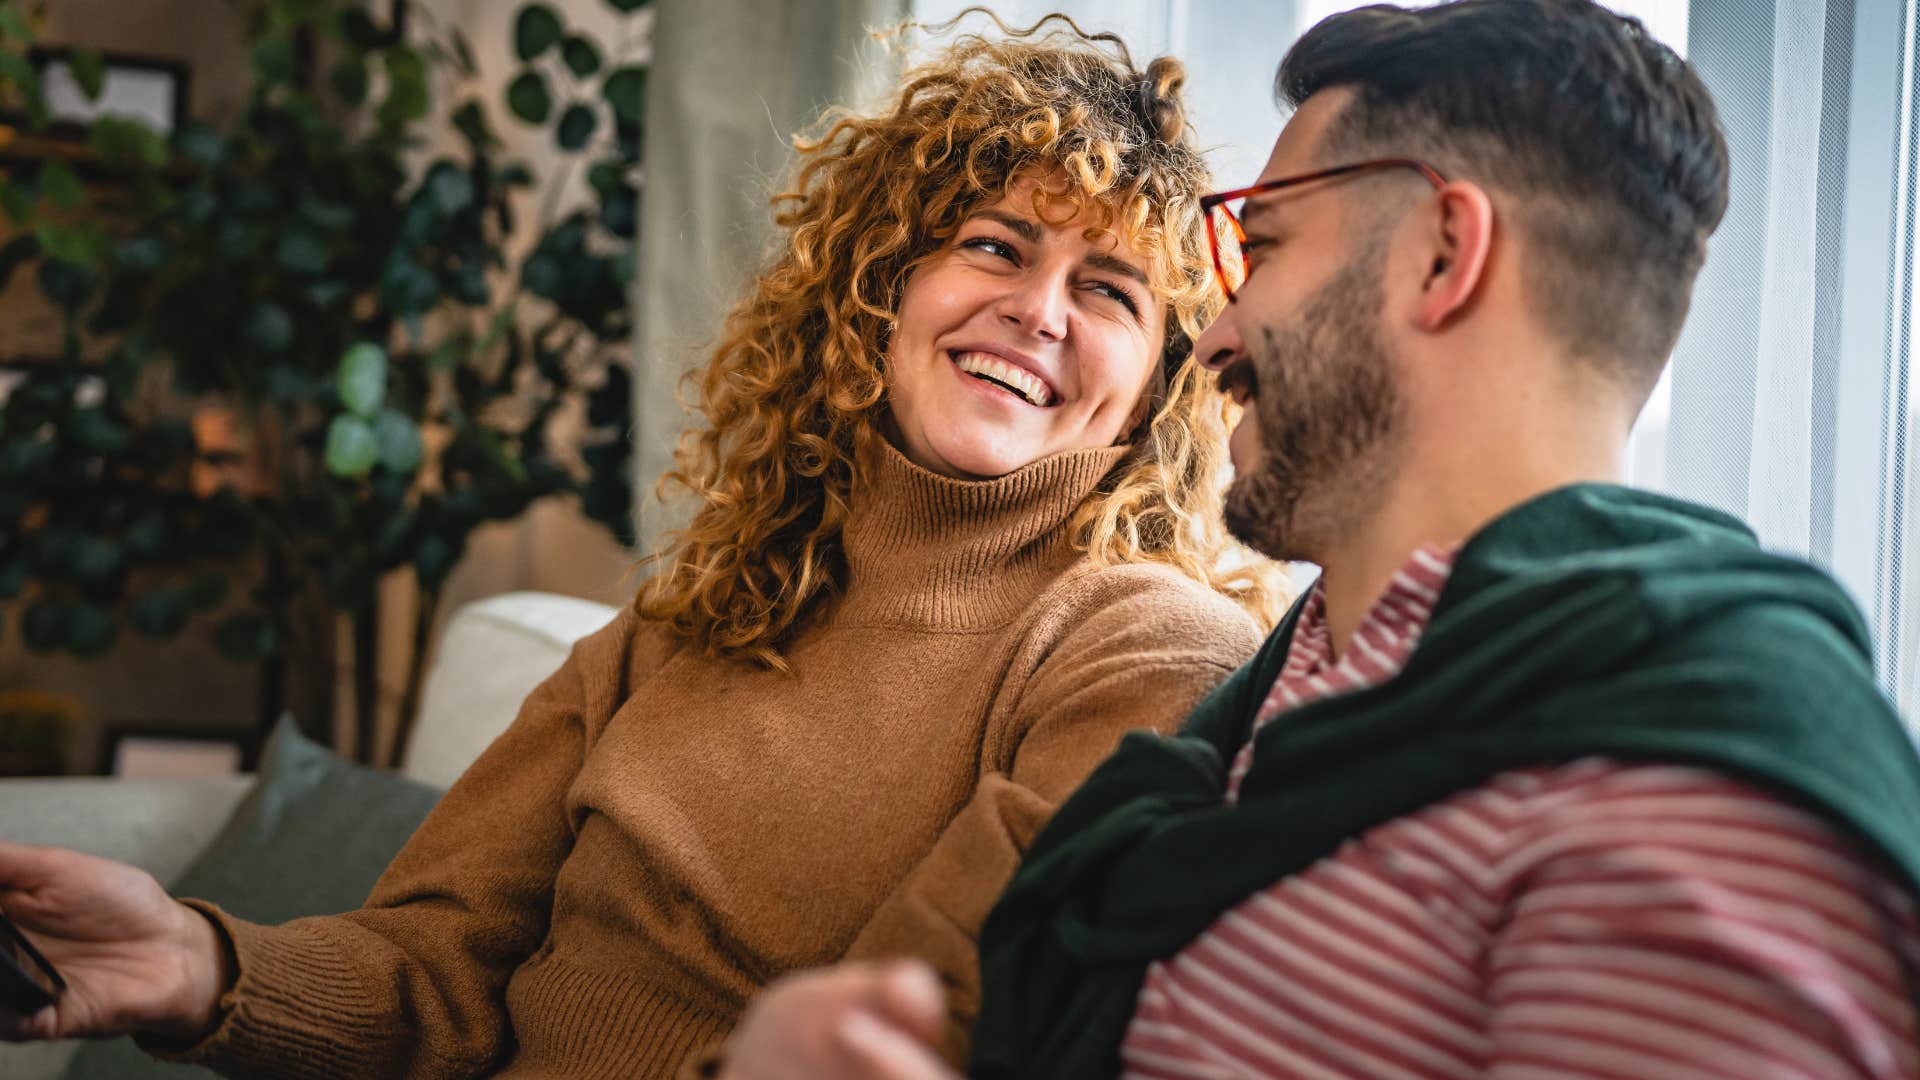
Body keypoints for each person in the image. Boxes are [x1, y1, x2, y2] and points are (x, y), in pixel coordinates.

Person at [0, 19, 1286, 1079]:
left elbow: (907, 1035)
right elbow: (430, 973)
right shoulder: (694, 619)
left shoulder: (1141, 646)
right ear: (881, 290)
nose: (1036, 307)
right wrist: (191, 961)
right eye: (994, 246)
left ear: (1160, 385)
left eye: (1109, 290)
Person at [714, 2, 1920, 1077]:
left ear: (1444, 256)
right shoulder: (1304, 678)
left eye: (1267, 246)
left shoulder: (1686, 811)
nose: (1214, 337)